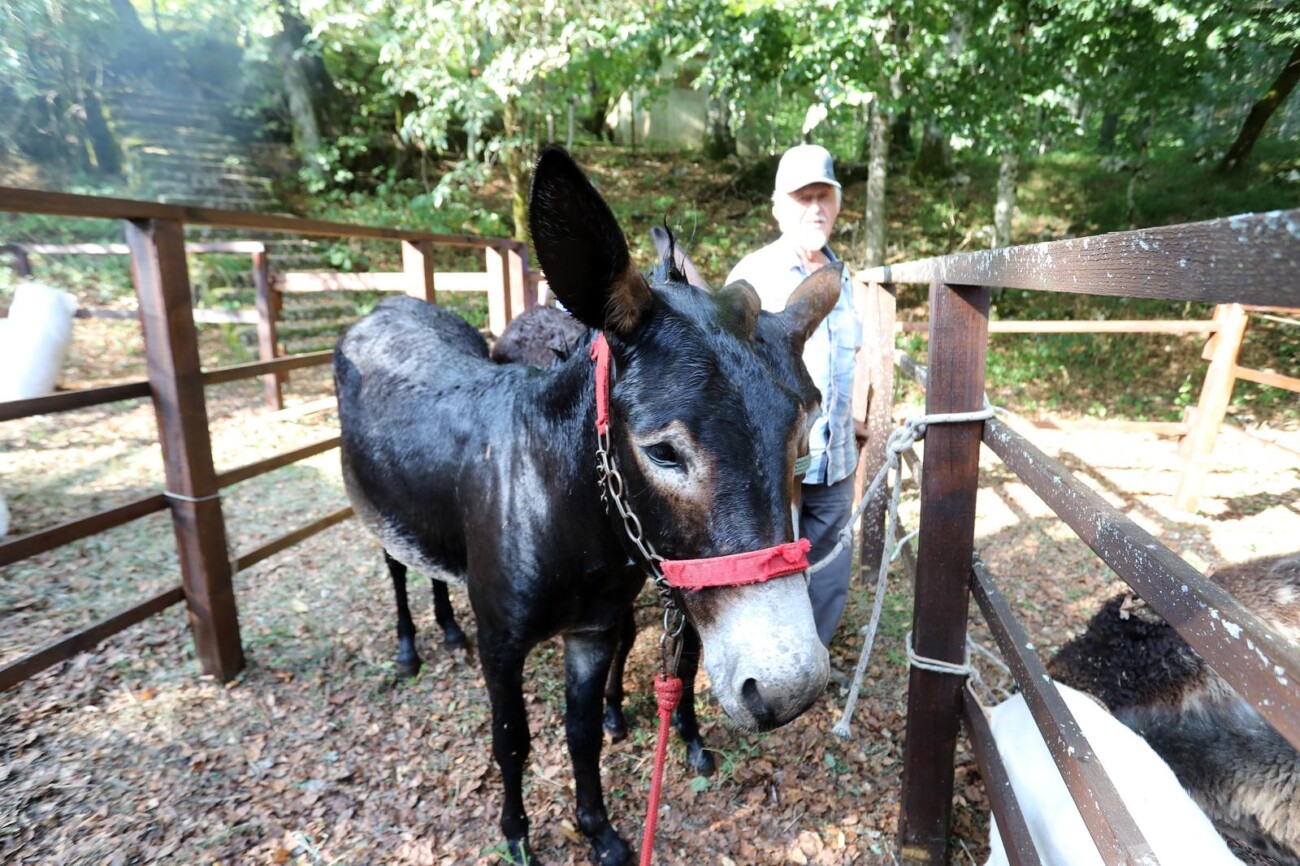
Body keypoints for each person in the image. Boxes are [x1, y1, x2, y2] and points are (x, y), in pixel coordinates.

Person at [726, 143, 864, 647]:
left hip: (836, 458)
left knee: (828, 566)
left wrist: (851, 422)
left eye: (823, 196)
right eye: (802, 198)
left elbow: (845, 365)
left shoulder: (842, 280)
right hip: (774, 465)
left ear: (838, 203)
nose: (815, 209)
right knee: (770, 563)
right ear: (778, 207)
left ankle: (815, 653)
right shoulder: (751, 277)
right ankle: (769, 659)